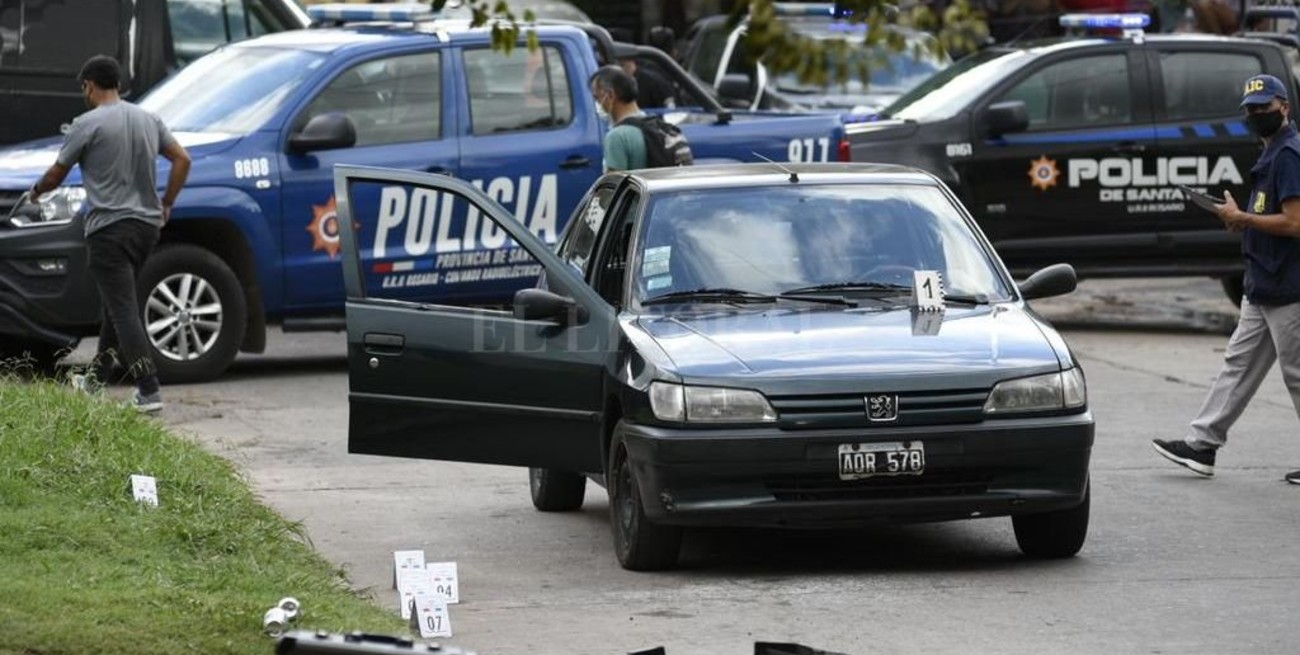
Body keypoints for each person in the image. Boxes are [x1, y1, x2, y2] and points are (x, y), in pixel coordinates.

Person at [1152, 74, 1300, 484]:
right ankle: (1202, 445)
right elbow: (1270, 216)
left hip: (1289, 287)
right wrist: (1240, 219)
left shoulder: (1289, 155)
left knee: (1297, 374)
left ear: (1284, 107)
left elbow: (1295, 223)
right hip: (1263, 282)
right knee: (1238, 366)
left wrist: (1244, 218)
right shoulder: (1271, 153)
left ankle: (1203, 442)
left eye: (1264, 107)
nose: (1256, 114)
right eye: (1250, 109)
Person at [29, 55, 191, 413]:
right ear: (117, 84)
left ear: (89, 85)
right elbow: (183, 159)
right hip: (146, 228)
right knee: (117, 305)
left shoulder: (86, 124)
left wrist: (36, 192)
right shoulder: (149, 119)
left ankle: (148, 390)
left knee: (123, 310)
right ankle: (96, 380)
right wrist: (167, 202)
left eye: (84, 88)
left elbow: (56, 174)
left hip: (109, 230)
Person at [590, 65, 648, 172]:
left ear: (610, 95)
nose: (597, 104)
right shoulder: (657, 125)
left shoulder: (617, 137)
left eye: (597, 98)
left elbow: (613, 181)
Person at [613, 43, 676, 109]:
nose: (619, 67)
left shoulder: (652, 80)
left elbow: (670, 107)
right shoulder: (616, 83)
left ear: (631, 60)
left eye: (622, 64)